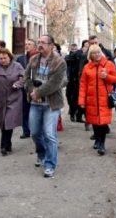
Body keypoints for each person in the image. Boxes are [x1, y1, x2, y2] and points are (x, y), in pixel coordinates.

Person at [24, 34, 67, 178]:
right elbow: (27, 77)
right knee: (35, 133)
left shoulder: (59, 62)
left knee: (49, 134)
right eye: (39, 42)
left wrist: (39, 93)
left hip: (51, 104)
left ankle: (50, 164)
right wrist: (32, 92)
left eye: (43, 43)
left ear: (51, 46)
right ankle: (41, 154)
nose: (40, 45)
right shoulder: (33, 59)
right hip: (35, 103)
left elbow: (55, 83)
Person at [78, 44, 116, 155]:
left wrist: (107, 77)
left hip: (104, 99)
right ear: (90, 55)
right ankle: (97, 139)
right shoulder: (87, 67)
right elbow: (83, 85)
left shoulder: (109, 64)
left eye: (98, 52)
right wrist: (81, 100)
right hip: (91, 100)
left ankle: (102, 144)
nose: (97, 55)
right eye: (94, 53)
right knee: (95, 122)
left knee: (102, 122)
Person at [0, 48, 25, 155]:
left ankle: (3, 145)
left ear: (10, 57)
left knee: (9, 121)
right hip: (0, 100)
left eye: (5, 58)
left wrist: (18, 84)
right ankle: (8, 143)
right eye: (0, 58)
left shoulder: (17, 66)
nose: (2, 60)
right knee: (3, 123)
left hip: (14, 99)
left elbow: (24, 78)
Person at [16, 39, 39, 139]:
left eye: (29, 44)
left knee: (35, 110)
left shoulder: (39, 58)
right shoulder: (20, 58)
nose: (27, 46)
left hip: (36, 88)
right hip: (23, 88)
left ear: (35, 46)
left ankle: (36, 130)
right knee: (24, 110)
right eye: (26, 44)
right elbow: (16, 71)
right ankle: (26, 131)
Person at [65, 43, 79, 122]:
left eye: (75, 50)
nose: (74, 51)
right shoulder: (68, 57)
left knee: (75, 97)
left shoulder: (78, 57)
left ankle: (73, 113)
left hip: (76, 80)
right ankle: (71, 107)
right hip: (69, 79)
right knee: (68, 95)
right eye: (72, 49)